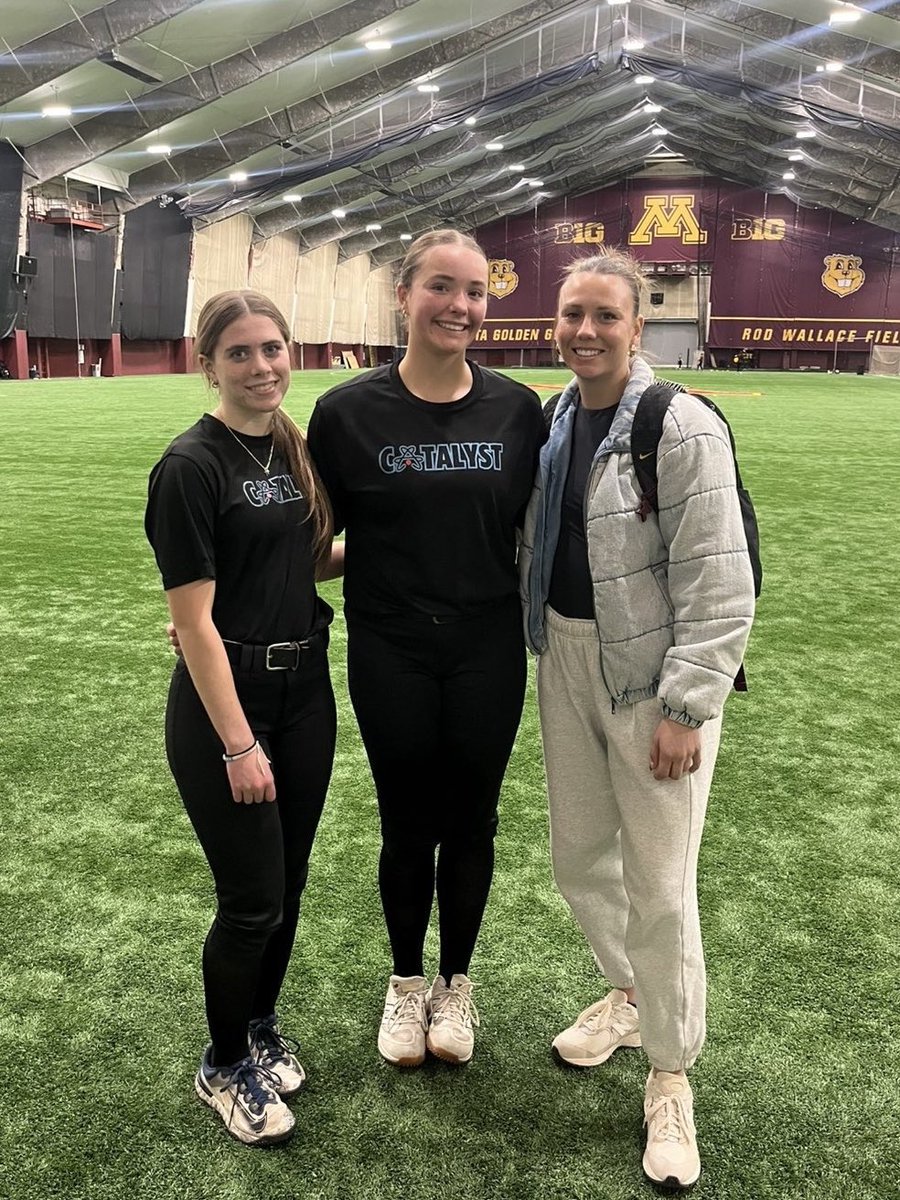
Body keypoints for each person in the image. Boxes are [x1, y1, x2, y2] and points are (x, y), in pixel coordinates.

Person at [519, 249, 755, 1189]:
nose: (585, 331)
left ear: (637, 325)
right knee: (579, 858)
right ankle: (628, 996)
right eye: (572, 314)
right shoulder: (554, 420)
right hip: (566, 659)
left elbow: (719, 578)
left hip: (655, 683)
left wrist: (689, 706)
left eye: (605, 316)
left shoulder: (678, 423)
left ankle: (670, 1072)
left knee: (661, 887)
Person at [306, 229, 545, 1069]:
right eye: (442, 287)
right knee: (407, 823)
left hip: (486, 647)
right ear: (403, 295)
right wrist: (224, 602)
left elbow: (546, 531)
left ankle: (457, 983)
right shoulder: (345, 414)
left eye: (475, 291)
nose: (460, 306)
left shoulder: (518, 410)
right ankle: (407, 983)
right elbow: (311, 544)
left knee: (473, 820)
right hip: (391, 649)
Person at [145, 290, 339, 1146]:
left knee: (288, 885)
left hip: (307, 694)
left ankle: (259, 1026)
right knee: (251, 900)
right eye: (240, 353)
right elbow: (193, 623)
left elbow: (301, 563)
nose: (262, 367)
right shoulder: (190, 465)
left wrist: (412, 544)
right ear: (208, 364)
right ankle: (223, 1066)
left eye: (272, 349)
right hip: (229, 709)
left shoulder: (291, 448)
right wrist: (238, 744)